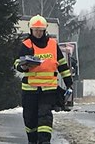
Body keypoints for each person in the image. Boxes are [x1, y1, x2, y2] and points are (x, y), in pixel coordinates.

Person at [14, 14, 73, 144]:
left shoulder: (53, 44)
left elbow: (62, 64)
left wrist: (69, 82)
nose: (38, 33)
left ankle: (44, 141)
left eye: (41, 30)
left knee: (45, 117)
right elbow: (17, 63)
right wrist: (23, 66)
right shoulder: (26, 45)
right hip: (30, 90)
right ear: (31, 30)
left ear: (44, 30)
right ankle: (32, 141)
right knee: (30, 119)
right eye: (36, 30)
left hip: (48, 89)